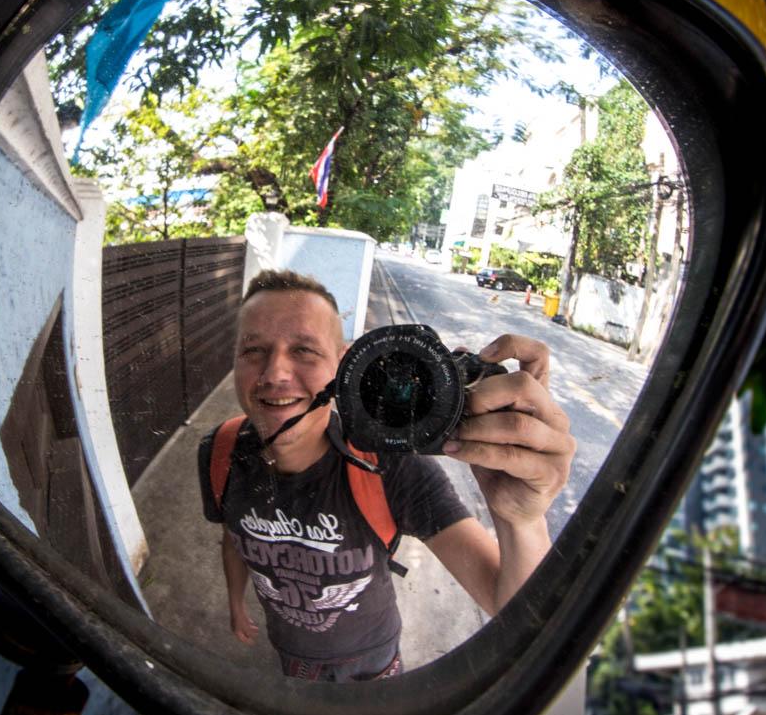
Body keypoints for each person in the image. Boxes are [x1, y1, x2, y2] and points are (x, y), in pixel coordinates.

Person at [198, 269, 576, 681]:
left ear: (342, 366)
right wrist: (236, 602)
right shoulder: (219, 453)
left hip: (373, 667)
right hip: (288, 656)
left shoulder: (391, 469)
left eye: (304, 350)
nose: (275, 373)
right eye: (253, 350)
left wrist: (521, 521)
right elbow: (235, 534)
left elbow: (510, 607)